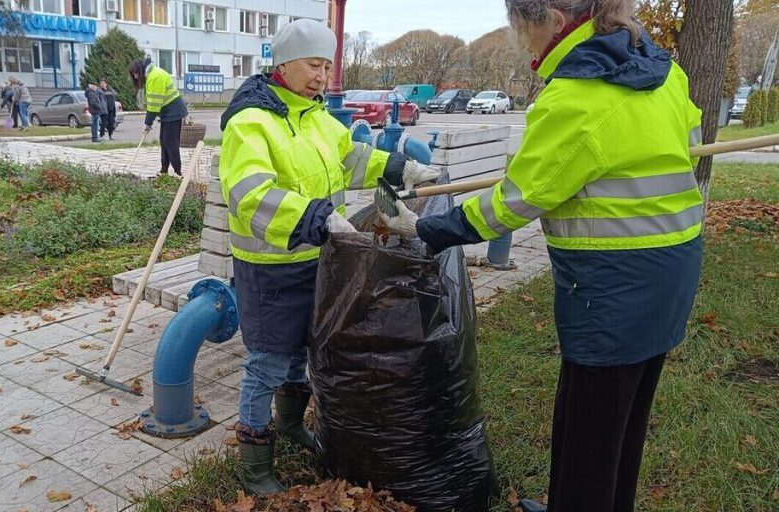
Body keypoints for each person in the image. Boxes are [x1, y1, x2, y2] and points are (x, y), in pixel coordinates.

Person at [379, 2, 704, 511]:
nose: (521, 41)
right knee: (622, 416)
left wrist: (426, 228)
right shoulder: (665, 73)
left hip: (613, 283)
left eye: (520, 28)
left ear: (553, 19)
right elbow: (684, 148)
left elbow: (513, 202)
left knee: (591, 432)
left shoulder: (574, 98)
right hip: (672, 269)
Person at [219, 19, 442, 496]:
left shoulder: (319, 118)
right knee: (267, 364)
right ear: (283, 64)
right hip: (271, 271)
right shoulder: (250, 123)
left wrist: (406, 170)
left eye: (327, 66)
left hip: (319, 260)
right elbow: (249, 195)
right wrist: (318, 220)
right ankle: (255, 463)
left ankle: (293, 426)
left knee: (306, 350)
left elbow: (353, 160)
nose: (322, 76)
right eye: (313, 65)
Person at [129, 57, 188, 175]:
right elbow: (152, 102)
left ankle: (178, 172)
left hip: (174, 110)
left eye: (136, 74)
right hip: (167, 111)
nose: (135, 77)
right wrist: (148, 122)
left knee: (170, 141)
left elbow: (154, 104)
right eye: (133, 74)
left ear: (140, 70)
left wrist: (148, 123)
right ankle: (164, 170)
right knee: (164, 140)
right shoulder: (150, 75)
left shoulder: (154, 77)